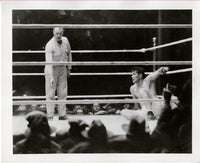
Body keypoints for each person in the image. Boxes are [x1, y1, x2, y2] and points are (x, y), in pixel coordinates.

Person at [44, 27, 72, 120]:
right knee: (51, 92)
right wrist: (51, 77)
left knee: (63, 91)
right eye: (57, 34)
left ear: (62, 33)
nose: (59, 35)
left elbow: (69, 54)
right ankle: (50, 115)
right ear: (53, 33)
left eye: (60, 33)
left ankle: (62, 114)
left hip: (63, 67)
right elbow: (49, 63)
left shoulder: (66, 40)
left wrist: (69, 68)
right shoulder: (49, 45)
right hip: (51, 68)